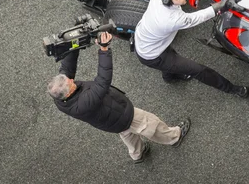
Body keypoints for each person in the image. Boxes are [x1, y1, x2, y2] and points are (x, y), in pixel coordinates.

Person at [48, 31, 191, 163]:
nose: (71, 80)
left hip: (110, 121)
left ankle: (138, 154)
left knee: (126, 133)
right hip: (121, 114)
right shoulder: (84, 104)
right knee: (150, 124)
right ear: (67, 92)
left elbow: (68, 67)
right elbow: (102, 81)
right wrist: (104, 50)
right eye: (70, 83)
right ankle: (174, 137)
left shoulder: (59, 95)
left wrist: (74, 42)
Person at [133, 0, 249, 98]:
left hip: (145, 38)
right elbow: (200, 16)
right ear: (167, 1)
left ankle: (170, 76)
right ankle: (232, 89)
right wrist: (225, 5)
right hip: (153, 55)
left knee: (171, 56)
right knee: (198, 70)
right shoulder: (171, 19)